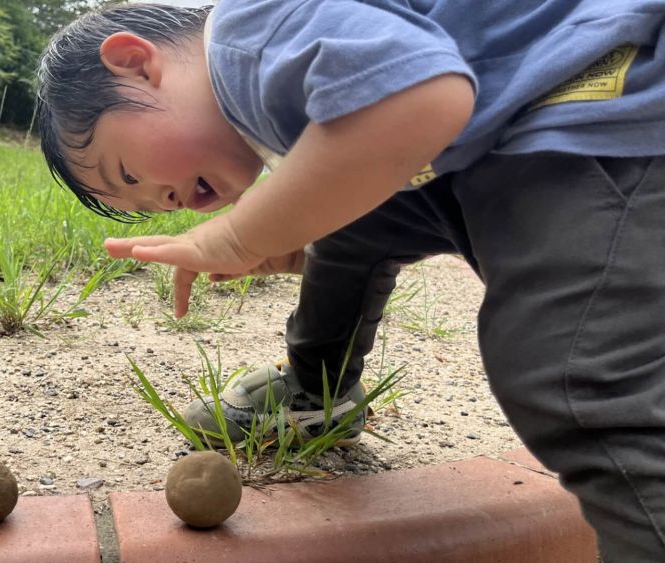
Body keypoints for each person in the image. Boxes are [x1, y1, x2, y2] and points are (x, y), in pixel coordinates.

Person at [36, 2, 665, 560]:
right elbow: (378, 158)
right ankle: (318, 391)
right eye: (152, 209)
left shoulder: (249, 30)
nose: (168, 201)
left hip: (601, 101)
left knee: (574, 373)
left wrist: (238, 235)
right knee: (351, 228)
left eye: (129, 173)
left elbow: (424, 98)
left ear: (135, 62)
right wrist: (302, 232)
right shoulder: (271, 77)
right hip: (519, 124)